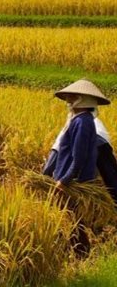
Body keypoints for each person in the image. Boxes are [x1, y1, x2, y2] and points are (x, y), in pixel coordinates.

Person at [42, 79, 111, 256]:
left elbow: (79, 157)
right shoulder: (80, 120)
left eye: (72, 96)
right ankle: (77, 253)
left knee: (70, 218)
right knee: (68, 218)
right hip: (68, 179)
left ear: (82, 99)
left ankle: (81, 254)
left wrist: (64, 181)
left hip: (71, 182)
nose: (68, 100)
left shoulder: (83, 122)